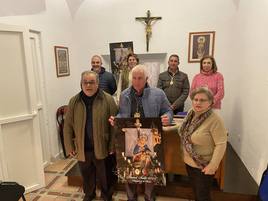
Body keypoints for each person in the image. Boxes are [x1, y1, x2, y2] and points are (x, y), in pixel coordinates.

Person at [109, 64, 173, 201]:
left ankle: (149, 196)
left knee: (149, 167)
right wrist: (116, 119)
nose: (137, 81)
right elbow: (122, 114)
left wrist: (168, 117)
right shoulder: (124, 94)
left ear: (147, 79)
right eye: (134, 78)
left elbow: (168, 110)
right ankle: (131, 197)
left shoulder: (158, 94)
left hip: (150, 137)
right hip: (130, 137)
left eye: (140, 78)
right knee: (130, 168)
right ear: (131, 78)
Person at [63, 71, 117, 201]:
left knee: (105, 176)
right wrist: (69, 146)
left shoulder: (108, 99)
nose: (88, 85)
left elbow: (114, 125)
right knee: (87, 175)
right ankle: (89, 194)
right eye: (85, 82)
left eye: (92, 82)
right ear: (81, 84)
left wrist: (112, 145)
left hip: (102, 146)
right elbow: (68, 126)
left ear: (97, 84)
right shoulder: (74, 101)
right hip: (83, 147)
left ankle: (106, 195)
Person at [179, 87, 227, 201]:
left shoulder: (215, 120)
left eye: (202, 100)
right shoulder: (192, 113)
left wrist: (213, 165)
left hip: (203, 165)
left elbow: (221, 144)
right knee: (197, 193)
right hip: (190, 163)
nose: (197, 102)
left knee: (203, 196)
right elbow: (185, 130)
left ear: (210, 102)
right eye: (195, 99)